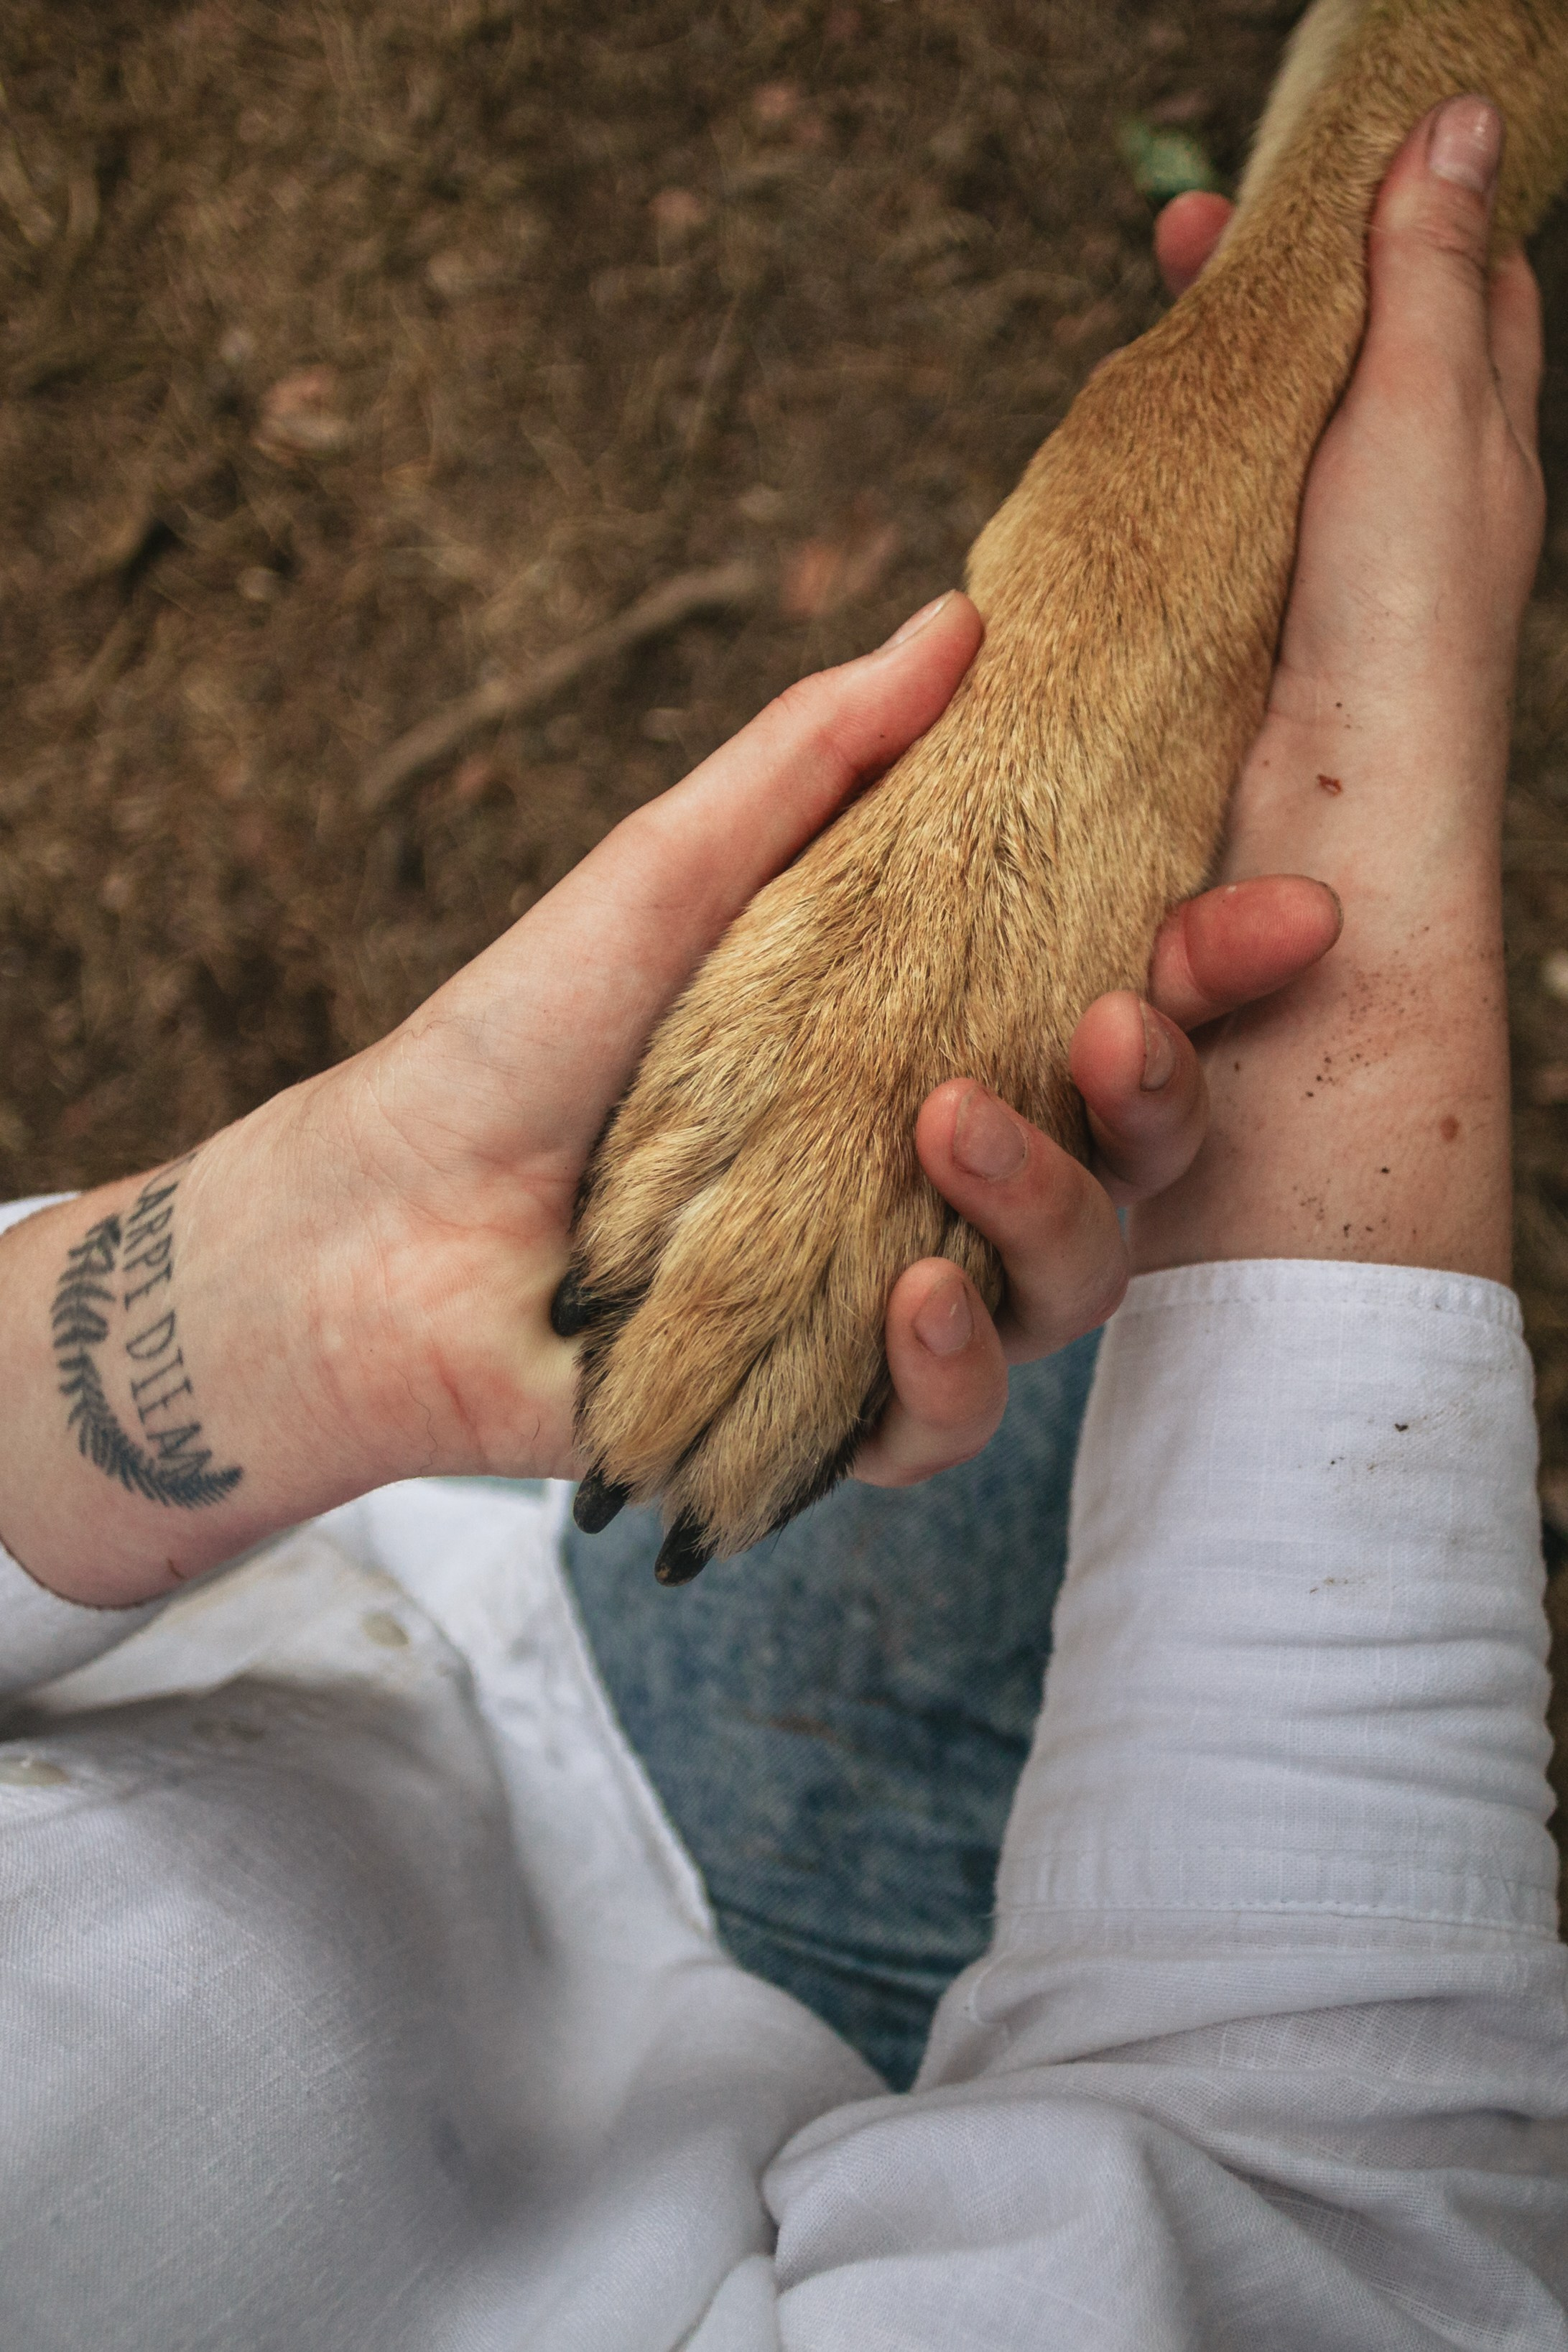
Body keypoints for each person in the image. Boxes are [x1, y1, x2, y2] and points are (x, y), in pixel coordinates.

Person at [0, 97, 1562, 2347]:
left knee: (1046, 1157)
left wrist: (266, 1295)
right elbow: (1341, 2239)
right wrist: (1372, 810)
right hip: (888, 2118)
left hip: (433, 1553)